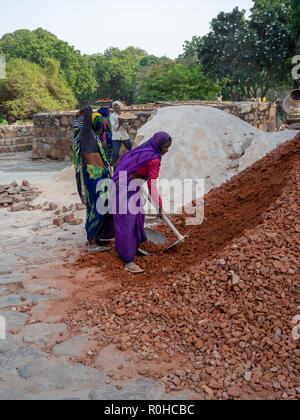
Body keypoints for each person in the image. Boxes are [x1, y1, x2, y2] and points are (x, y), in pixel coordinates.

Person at [112, 132, 172, 274]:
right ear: (158, 145)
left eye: (169, 147)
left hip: (123, 182)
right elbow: (152, 184)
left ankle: (134, 245)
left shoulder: (145, 149)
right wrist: (159, 206)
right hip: (125, 187)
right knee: (127, 221)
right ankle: (128, 260)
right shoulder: (154, 159)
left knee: (138, 214)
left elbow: (124, 159)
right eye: (165, 147)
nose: (166, 151)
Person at [73, 106, 114, 252]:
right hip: (93, 176)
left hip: (102, 174)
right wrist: (85, 111)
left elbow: (104, 126)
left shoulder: (93, 135)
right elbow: (89, 110)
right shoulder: (83, 135)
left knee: (105, 206)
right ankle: (92, 242)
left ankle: (99, 236)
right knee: (96, 207)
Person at [110, 101, 133, 171]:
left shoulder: (124, 115)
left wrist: (129, 124)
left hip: (124, 136)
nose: (116, 107)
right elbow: (114, 128)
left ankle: (133, 166)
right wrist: (119, 123)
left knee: (132, 150)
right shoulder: (112, 116)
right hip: (116, 137)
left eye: (117, 105)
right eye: (114, 106)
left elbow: (126, 128)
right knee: (115, 154)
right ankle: (115, 169)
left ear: (120, 107)